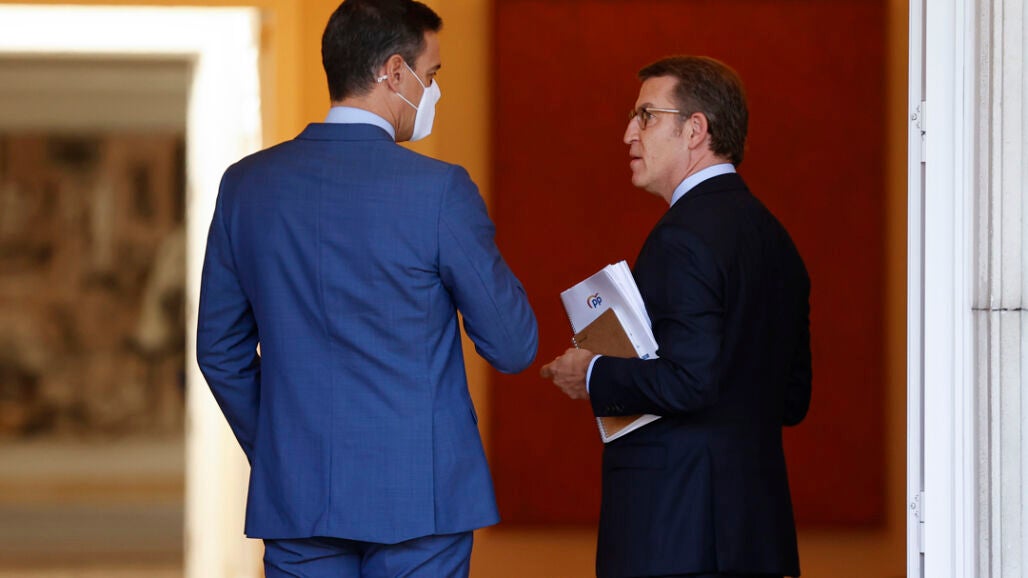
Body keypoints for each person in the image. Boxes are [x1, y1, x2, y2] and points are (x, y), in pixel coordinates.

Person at [195, 0, 538, 575]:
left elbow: (219, 353)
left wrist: (284, 451)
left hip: (298, 497)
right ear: (395, 72)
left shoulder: (245, 186)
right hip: (422, 497)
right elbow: (512, 345)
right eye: (431, 74)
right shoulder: (440, 190)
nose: (435, 91)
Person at [541, 56, 811, 578]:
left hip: (676, 535)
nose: (628, 133)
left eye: (645, 116)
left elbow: (690, 381)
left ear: (695, 130)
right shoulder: (777, 239)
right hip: (756, 535)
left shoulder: (683, 236)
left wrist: (591, 372)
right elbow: (792, 398)